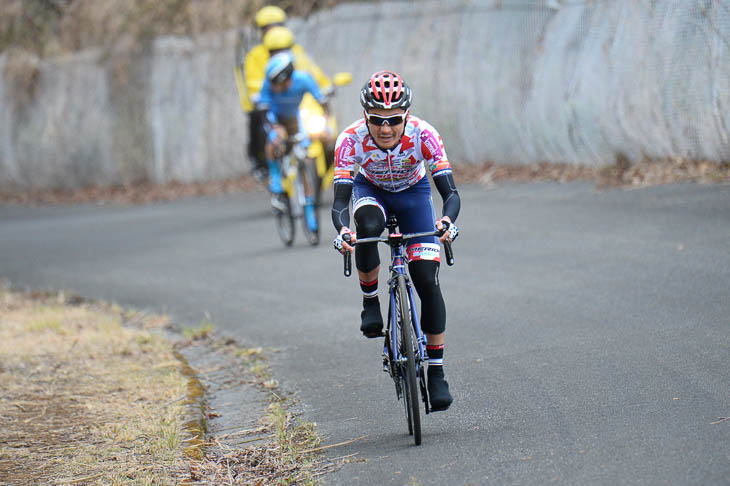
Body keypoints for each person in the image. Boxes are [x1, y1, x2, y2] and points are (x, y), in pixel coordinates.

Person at [331, 71, 461, 412]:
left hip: (414, 196)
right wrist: (344, 231)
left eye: (393, 120)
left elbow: (450, 193)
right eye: (376, 120)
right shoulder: (349, 140)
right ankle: (371, 302)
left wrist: (446, 222)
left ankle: (436, 373)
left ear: (406, 116)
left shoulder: (425, 135)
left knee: (426, 280)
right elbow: (339, 203)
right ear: (365, 117)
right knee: (369, 225)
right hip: (370, 190)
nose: (385, 128)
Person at [233, 6, 332, 180]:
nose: (273, 30)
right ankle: (260, 163)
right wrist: (258, 94)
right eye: (267, 28)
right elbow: (253, 82)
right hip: (272, 101)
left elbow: (312, 73)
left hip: (297, 103)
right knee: (259, 125)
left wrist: (326, 86)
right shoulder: (255, 56)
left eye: (277, 25)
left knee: (327, 131)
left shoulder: (297, 53)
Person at [259, 52, 329, 232]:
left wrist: (325, 122)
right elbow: (263, 113)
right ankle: (275, 174)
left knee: (304, 159)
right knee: (276, 139)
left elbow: (322, 101)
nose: (276, 88)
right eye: (273, 85)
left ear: (287, 78)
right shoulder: (267, 85)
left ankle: (309, 209)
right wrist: (273, 129)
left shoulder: (303, 79)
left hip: (294, 119)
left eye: (278, 84)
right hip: (275, 119)